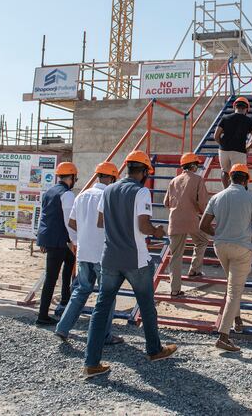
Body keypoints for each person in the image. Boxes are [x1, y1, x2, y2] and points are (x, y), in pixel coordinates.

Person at [83, 150, 177, 379]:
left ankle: (91, 363)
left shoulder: (109, 191)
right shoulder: (141, 192)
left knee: (101, 308)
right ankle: (154, 350)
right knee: (146, 305)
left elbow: (100, 222)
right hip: (135, 258)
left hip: (110, 258)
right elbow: (144, 226)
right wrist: (157, 231)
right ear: (144, 171)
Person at [54, 161, 123, 345]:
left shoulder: (81, 196)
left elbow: (72, 223)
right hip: (103, 253)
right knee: (106, 295)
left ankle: (63, 327)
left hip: (83, 253)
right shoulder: (108, 196)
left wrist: (79, 240)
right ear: (112, 178)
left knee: (80, 291)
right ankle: (104, 335)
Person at [199, 163, 252, 352]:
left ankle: (237, 319)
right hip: (242, 248)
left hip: (221, 246)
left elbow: (203, 225)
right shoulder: (251, 197)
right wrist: (251, 239)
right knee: (234, 290)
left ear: (230, 177)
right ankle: (223, 336)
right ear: (245, 180)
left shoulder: (217, 197)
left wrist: (219, 234)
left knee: (232, 285)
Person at [35, 161, 78, 326]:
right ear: (72, 177)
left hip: (50, 237)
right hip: (58, 239)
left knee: (69, 260)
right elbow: (69, 221)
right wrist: (75, 240)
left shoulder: (49, 192)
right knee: (51, 277)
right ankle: (42, 315)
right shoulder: (67, 194)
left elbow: (44, 216)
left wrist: (42, 239)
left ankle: (65, 298)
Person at [163, 152, 210, 297]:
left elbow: (166, 203)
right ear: (193, 165)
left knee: (176, 255)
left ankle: (175, 289)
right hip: (192, 220)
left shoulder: (174, 180)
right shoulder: (198, 180)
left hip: (175, 221)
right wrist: (204, 214)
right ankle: (194, 270)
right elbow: (203, 203)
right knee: (202, 241)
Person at [214, 96, 252, 188]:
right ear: (247, 109)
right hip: (239, 151)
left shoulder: (225, 118)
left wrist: (222, 145)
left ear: (235, 107)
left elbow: (216, 135)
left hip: (224, 150)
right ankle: (242, 191)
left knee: (225, 171)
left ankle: (226, 190)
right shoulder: (249, 121)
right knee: (241, 172)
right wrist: (248, 147)